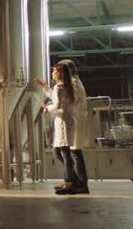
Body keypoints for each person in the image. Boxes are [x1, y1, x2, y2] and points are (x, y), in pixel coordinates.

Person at [41, 61, 80, 195]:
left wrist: (47, 108)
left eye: (54, 71)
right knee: (61, 152)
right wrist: (46, 88)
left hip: (63, 121)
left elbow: (57, 104)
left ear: (59, 73)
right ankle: (71, 179)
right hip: (69, 119)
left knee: (63, 152)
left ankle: (69, 181)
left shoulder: (59, 87)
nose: (52, 73)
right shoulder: (69, 86)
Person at [60, 59, 91, 195]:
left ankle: (81, 184)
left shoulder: (74, 83)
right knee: (72, 153)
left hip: (76, 121)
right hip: (75, 120)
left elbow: (71, 100)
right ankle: (75, 181)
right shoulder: (74, 82)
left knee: (75, 153)